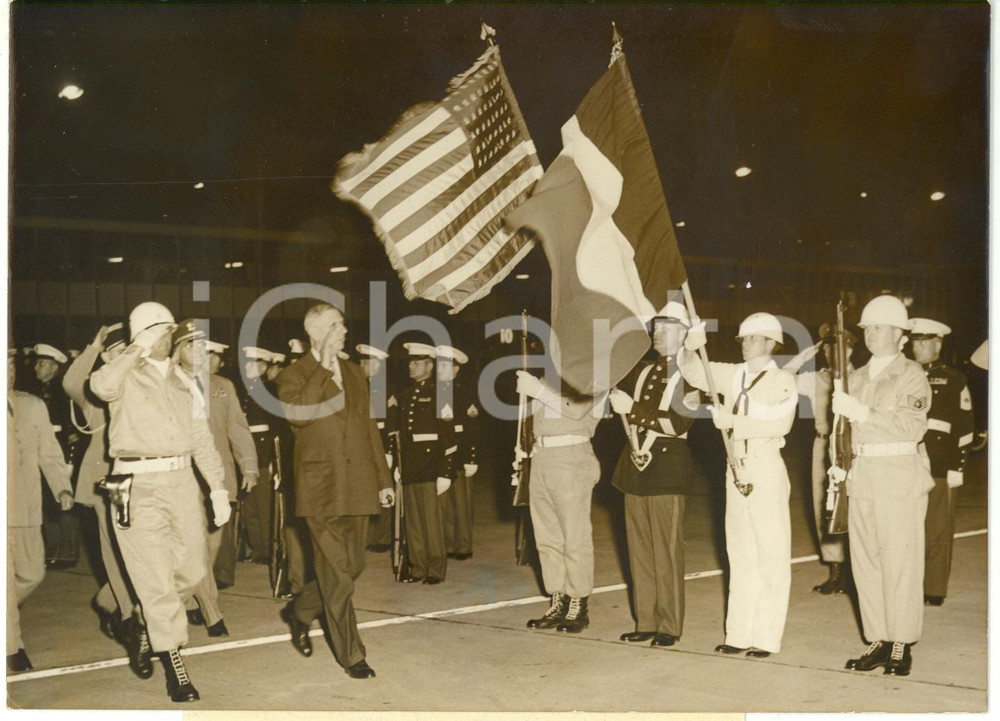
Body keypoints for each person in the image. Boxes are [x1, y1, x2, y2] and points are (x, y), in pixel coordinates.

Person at [90, 301, 232, 702]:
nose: (167, 337)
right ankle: (175, 666)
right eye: (159, 330)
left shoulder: (186, 381)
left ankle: (140, 622)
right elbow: (99, 387)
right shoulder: (123, 373)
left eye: (169, 330)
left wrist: (217, 488)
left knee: (192, 569)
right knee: (154, 578)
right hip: (136, 484)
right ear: (140, 333)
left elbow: (202, 439)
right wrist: (135, 348)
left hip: (181, 481)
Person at [276, 303, 393, 679]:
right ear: (315, 333)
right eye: (334, 326)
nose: (343, 331)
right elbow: (298, 416)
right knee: (338, 575)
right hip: (319, 487)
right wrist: (324, 367)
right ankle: (352, 654)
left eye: (343, 324)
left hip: (357, 484)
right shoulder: (293, 375)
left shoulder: (355, 373)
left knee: (353, 565)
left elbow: (369, 428)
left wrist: (383, 480)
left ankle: (300, 610)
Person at [683, 311, 797, 658]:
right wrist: (690, 347)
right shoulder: (733, 374)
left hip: (765, 467)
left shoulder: (783, 380)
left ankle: (766, 637)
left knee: (771, 554)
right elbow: (694, 371)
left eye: (752, 338)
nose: (744, 343)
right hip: (736, 469)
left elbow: (781, 423)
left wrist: (735, 421)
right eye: (743, 338)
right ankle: (738, 633)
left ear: (771, 343)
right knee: (741, 552)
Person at [832, 295, 934, 677]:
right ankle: (878, 638)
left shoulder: (911, 375)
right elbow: (842, 432)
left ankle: (901, 643)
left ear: (899, 334)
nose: (871, 334)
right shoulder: (855, 377)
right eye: (867, 328)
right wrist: (838, 466)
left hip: (897, 476)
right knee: (866, 563)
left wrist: (862, 412)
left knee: (900, 562)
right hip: (862, 477)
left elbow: (910, 426)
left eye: (879, 328)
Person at [608, 302, 699, 648]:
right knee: (640, 549)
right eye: (656, 327)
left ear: (684, 333)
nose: (657, 333)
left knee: (667, 551)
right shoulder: (645, 371)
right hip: (636, 467)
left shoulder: (691, 373)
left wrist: (631, 408)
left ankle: (669, 625)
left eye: (666, 327)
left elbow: (677, 423)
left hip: (667, 468)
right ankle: (645, 620)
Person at [62, 323, 144, 651]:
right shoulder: (95, 393)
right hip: (105, 481)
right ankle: (127, 617)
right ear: (107, 357)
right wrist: (93, 348)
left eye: (129, 350)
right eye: (119, 351)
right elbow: (70, 383)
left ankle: (108, 601)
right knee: (115, 550)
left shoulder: (141, 383)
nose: (126, 357)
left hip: (142, 479)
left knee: (142, 551)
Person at [173, 323, 257, 636]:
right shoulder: (168, 383)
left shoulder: (222, 386)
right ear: (176, 351)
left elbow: (238, 428)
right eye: (190, 345)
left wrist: (249, 466)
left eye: (202, 346)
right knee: (194, 551)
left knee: (210, 548)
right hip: (183, 479)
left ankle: (190, 602)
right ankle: (212, 614)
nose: (199, 352)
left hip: (218, 479)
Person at [515, 369, 605, 634]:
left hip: (571, 457)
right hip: (541, 456)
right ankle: (558, 598)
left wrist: (537, 390)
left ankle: (578, 602)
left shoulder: (594, 376)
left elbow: (575, 410)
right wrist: (523, 447)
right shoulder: (548, 379)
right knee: (547, 537)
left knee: (574, 536)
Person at [7, 351, 74, 672]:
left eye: (10, 365)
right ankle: (12, 645)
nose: (7, 372)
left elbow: (49, 451)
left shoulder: (32, 405)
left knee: (33, 573)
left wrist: (61, 486)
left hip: (26, 505)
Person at [783, 323, 857, 595]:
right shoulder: (816, 378)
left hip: (853, 447)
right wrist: (803, 356)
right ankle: (836, 571)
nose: (830, 352)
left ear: (850, 350)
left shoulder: (861, 378)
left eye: (836, 347)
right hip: (823, 444)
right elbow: (779, 379)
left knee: (854, 506)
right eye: (826, 347)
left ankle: (855, 572)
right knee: (823, 506)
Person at [909, 317, 975, 607]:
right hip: (907, 461)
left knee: (937, 528)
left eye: (923, 342)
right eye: (914, 342)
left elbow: (965, 425)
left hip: (939, 463)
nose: (917, 347)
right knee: (908, 528)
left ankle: (933, 588)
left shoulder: (953, 379)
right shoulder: (906, 374)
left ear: (938, 344)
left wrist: (957, 467)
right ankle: (910, 584)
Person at [393, 342, 457, 584]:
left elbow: (448, 438)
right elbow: (402, 436)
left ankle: (435, 569)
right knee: (414, 522)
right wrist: (398, 465)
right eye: (410, 362)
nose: (411, 366)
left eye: (417, 362)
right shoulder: (405, 396)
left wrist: (445, 472)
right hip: (411, 466)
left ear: (430, 366)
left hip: (431, 466)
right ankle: (417, 567)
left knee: (432, 521)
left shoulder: (441, 395)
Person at [30, 343, 81, 571]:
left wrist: (70, 455)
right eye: (37, 363)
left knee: (64, 500)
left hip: (61, 449)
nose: (36, 368)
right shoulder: (33, 391)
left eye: (42, 364)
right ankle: (53, 549)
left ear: (54, 367)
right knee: (47, 500)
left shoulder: (63, 391)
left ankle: (67, 553)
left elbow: (73, 427)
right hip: (40, 449)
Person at [435, 344, 479, 561]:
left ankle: (463, 545)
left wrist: (472, 458)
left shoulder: (464, 393)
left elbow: (471, 429)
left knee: (461, 503)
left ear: (455, 369)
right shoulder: (431, 392)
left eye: (444, 366)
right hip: (439, 456)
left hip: (460, 457)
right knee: (442, 503)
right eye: (438, 365)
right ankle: (447, 544)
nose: (439, 369)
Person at [356, 344, 394, 552]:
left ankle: (381, 538)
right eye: (362, 361)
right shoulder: (355, 386)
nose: (363, 366)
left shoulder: (385, 389)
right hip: (361, 445)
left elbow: (391, 423)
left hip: (379, 445)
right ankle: (367, 536)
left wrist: (388, 450)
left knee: (382, 488)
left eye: (367, 362)